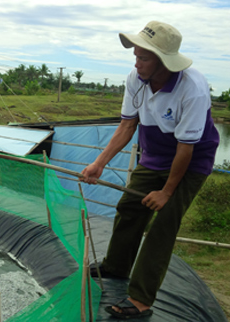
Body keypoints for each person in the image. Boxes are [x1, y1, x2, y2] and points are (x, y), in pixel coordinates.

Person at [80, 21, 220, 319]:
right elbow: (128, 124)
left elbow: (186, 147)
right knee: (130, 206)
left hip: (191, 161)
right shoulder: (136, 78)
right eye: (136, 55)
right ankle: (116, 266)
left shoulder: (192, 89)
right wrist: (98, 163)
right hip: (154, 155)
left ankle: (141, 299)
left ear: (164, 62)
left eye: (143, 57)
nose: (136, 62)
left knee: (162, 226)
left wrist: (167, 192)